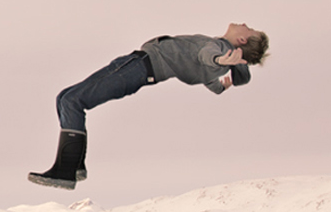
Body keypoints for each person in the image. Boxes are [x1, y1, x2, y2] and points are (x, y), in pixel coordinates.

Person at [27, 24, 269, 189]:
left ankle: (65, 172)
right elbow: (208, 75)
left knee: (72, 101)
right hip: (139, 67)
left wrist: (220, 60)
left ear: (242, 40)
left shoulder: (218, 50)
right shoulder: (215, 65)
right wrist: (222, 86)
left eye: (248, 28)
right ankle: (76, 167)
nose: (244, 23)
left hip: (138, 67)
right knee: (64, 97)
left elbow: (208, 55)